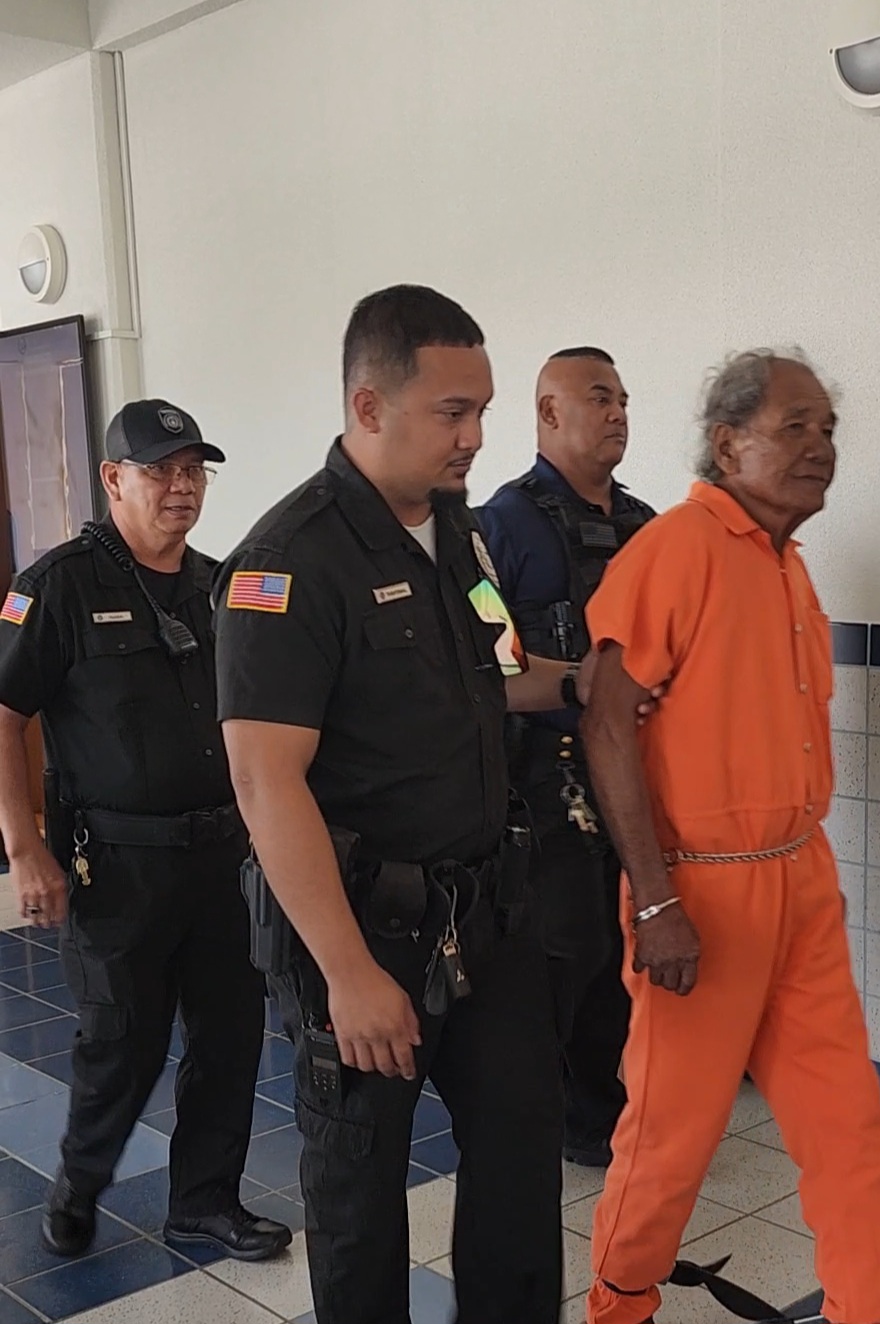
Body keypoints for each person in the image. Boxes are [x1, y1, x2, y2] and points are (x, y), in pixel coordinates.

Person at [215, 285, 618, 1324]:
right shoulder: (286, 562)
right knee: (359, 1199)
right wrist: (348, 975)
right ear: (368, 406)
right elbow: (266, 782)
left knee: (522, 1173)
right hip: (362, 934)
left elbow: (500, 665)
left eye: (482, 409)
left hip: (490, 916)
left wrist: (580, 682)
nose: (478, 435)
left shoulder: (460, 534)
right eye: (453, 412)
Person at [580, 351, 880, 1324]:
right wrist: (656, 898)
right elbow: (605, 722)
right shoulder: (676, 549)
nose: (820, 448)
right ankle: (617, 1310)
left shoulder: (787, 565)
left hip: (801, 881)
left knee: (848, 1127)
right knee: (671, 1141)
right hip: (699, 896)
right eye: (795, 427)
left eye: (829, 431)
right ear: (730, 444)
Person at [0, 400, 291, 1262]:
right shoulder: (52, 588)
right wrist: (25, 847)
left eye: (194, 470)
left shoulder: (222, 583)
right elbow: (5, 714)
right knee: (120, 1047)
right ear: (112, 479)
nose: (181, 486)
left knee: (230, 1039)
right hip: (118, 867)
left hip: (226, 861)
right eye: (161, 469)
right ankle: (79, 1183)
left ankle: (204, 1201)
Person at [477, 347, 654, 1168]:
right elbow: (488, 668)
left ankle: (605, 1113)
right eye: (598, 398)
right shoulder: (494, 530)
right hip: (545, 788)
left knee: (624, 951)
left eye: (622, 399)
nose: (618, 412)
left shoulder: (647, 528)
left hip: (640, 780)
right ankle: (544, 1121)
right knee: (563, 957)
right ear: (548, 414)